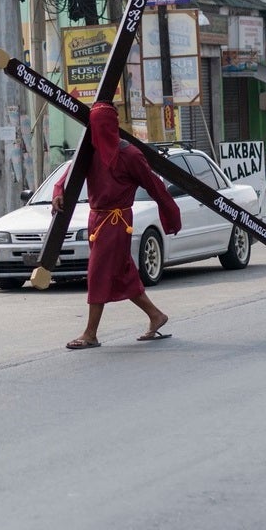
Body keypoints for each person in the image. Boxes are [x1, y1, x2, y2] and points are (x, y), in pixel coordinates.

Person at [52, 102, 182, 349]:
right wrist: (59, 191)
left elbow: (155, 185)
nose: (99, 131)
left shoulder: (130, 155)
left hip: (117, 221)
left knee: (98, 272)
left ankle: (90, 333)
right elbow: (68, 176)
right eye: (95, 126)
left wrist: (171, 215)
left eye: (103, 125)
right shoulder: (89, 153)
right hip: (96, 220)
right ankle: (156, 316)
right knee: (123, 273)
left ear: (112, 126)